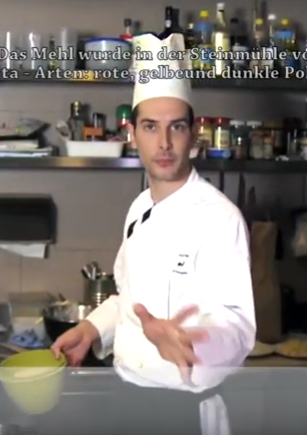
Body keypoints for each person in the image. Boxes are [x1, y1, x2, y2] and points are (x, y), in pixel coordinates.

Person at [51, 33, 256, 435]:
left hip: (182, 413)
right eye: (150, 127)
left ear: (193, 133)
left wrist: (189, 339)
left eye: (176, 127)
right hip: (127, 399)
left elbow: (237, 328)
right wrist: (92, 329)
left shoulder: (220, 218)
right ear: (132, 133)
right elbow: (128, 297)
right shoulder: (139, 208)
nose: (163, 143)